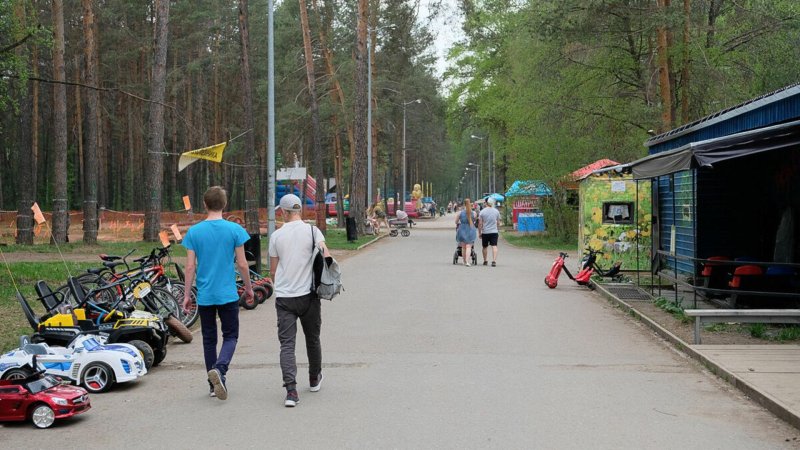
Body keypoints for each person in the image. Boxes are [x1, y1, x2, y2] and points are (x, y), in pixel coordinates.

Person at [182, 186, 253, 401]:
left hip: (205, 295)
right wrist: (249, 288)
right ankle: (220, 370)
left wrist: (186, 295)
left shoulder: (194, 232)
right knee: (230, 336)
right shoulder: (235, 230)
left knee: (208, 339)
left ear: (205, 204)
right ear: (224, 204)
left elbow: (190, 267)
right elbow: (242, 263)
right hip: (228, 295)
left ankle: (213, 386)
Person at [269, 193, 331, 407]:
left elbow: (273, 270)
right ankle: (314, 378)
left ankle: (291, 391)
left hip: (285, 297)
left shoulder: (276, 236)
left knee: (287, 344)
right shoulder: (314, 231)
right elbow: (327, 256)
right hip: (309, 296)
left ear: (284, 212)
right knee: (312, 339)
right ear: (299, 211)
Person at [478, 197, 502, 267]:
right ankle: (494, 261)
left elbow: (480, 224)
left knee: (485, 247)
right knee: (494, 246)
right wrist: (497, 230)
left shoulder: (482, 212)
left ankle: (485, 260)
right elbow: (498, 222)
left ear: (486, 203)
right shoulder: (496, 211)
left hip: (485, 232)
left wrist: (479, 233)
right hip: (494, 232)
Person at [455, 198, 477, 266]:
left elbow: (456, 222)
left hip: (462, 229)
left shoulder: (460, 213)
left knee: (463, 247)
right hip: (470, 229)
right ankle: (467, 261)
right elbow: (474, 221)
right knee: (469, 246)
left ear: (463, 204)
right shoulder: (474, 213)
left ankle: (464, 261)